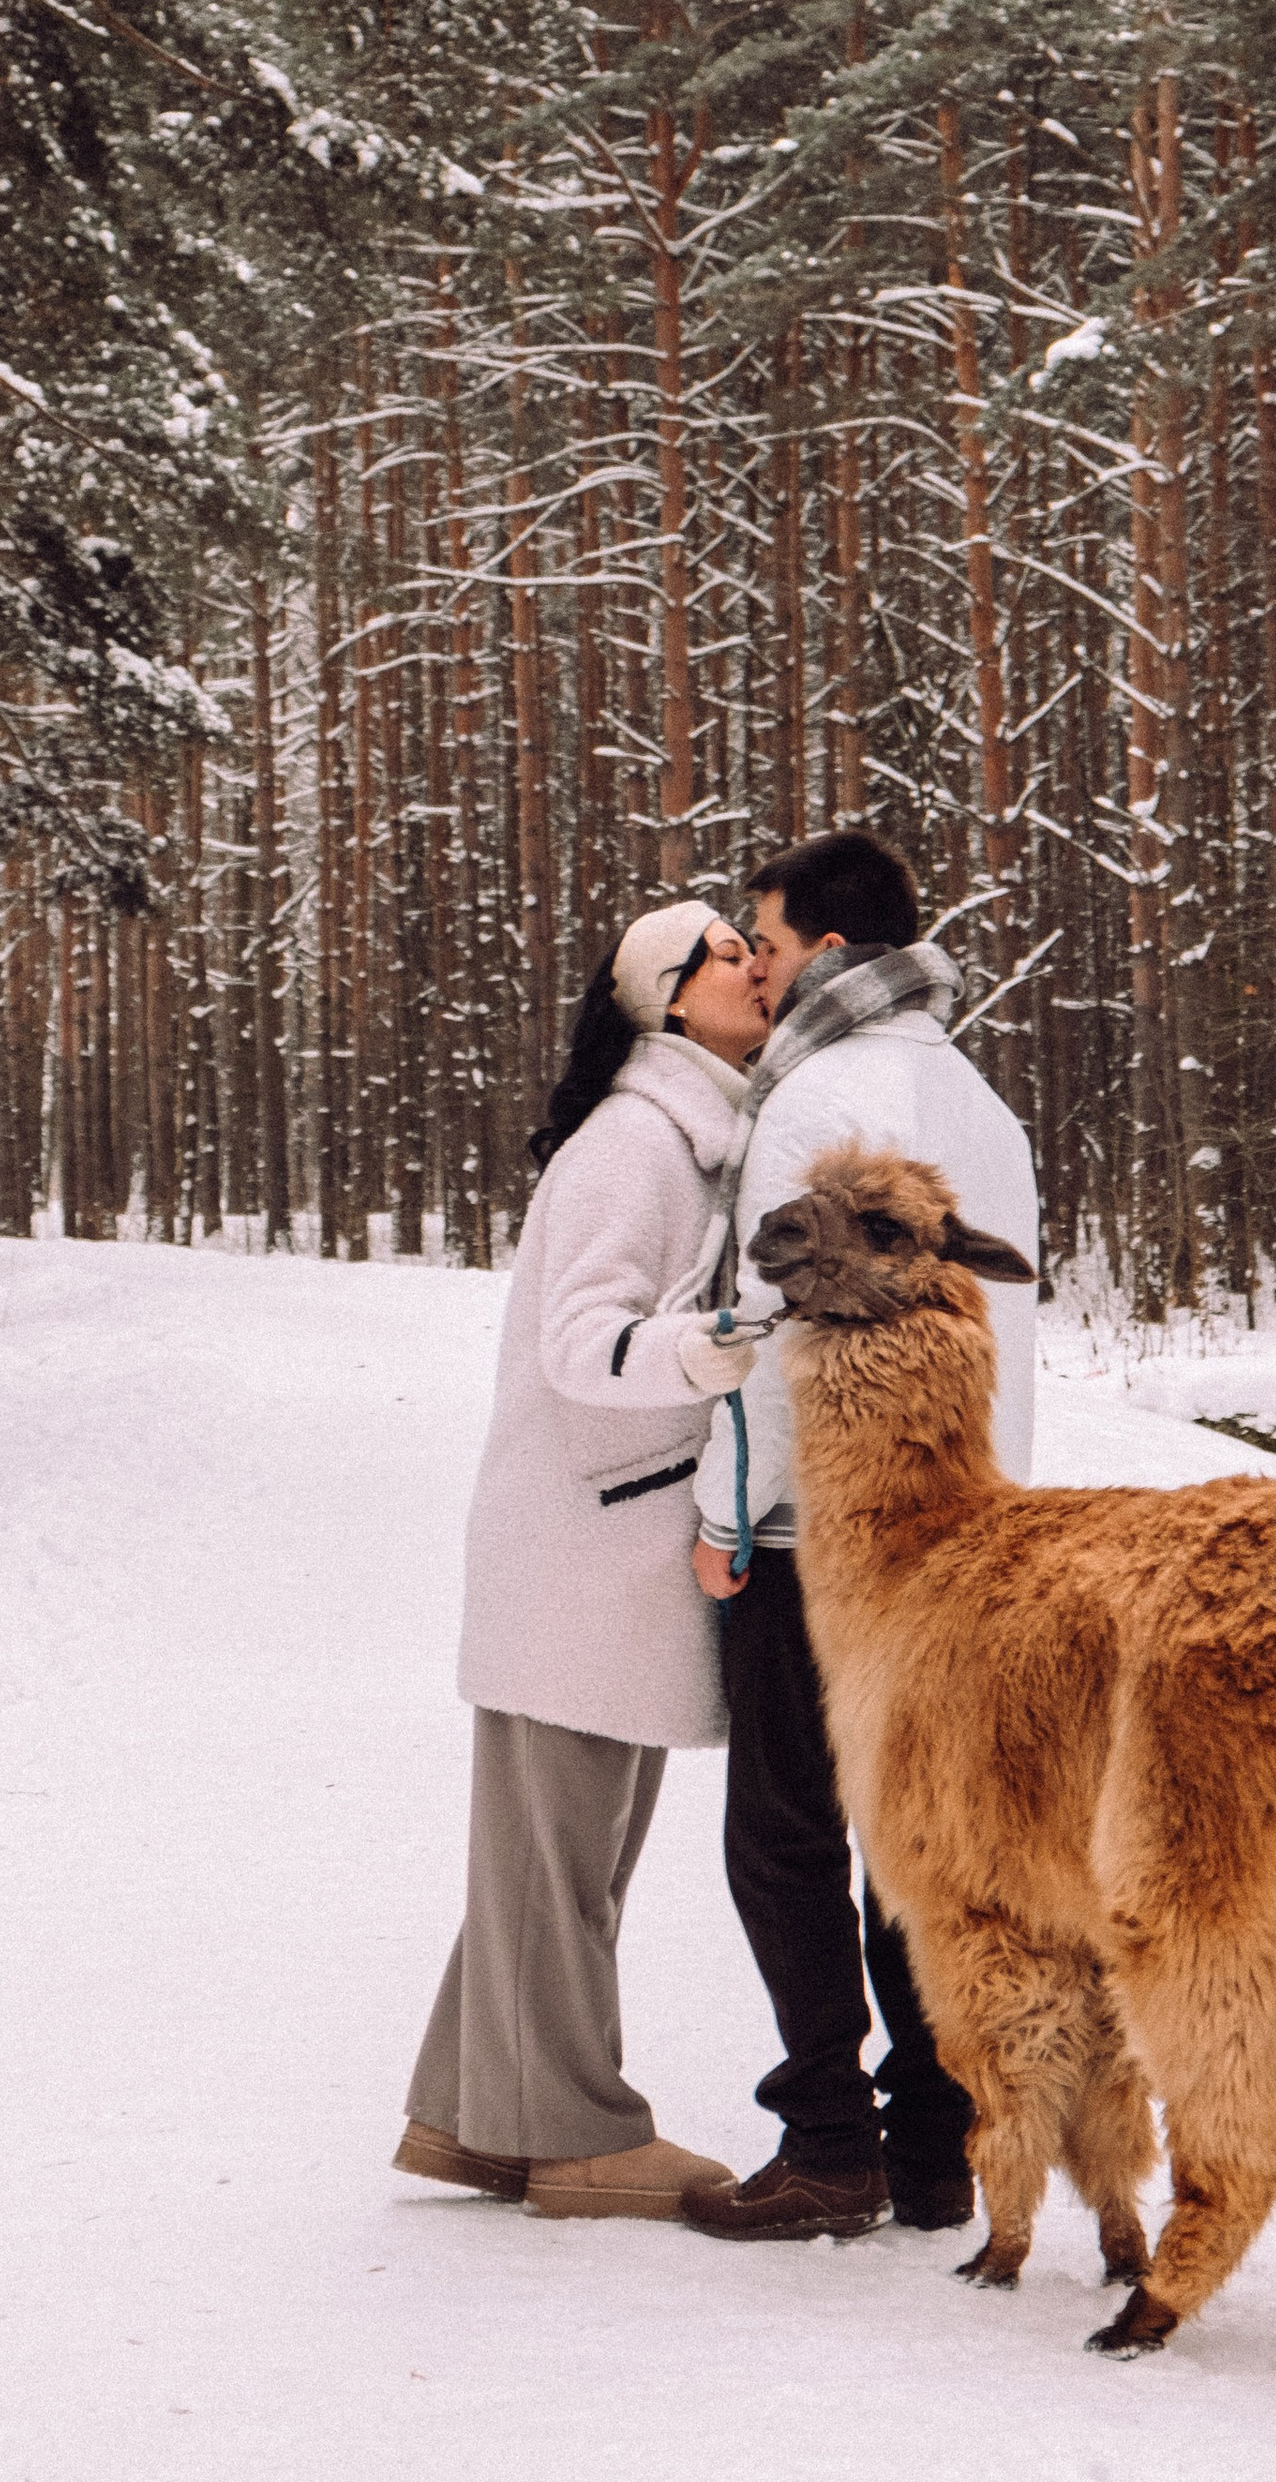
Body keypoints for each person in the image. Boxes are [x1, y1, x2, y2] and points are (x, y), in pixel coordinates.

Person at [678, 832, 1040, 2245]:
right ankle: (936, 2141)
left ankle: (828, 2139)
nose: (753, 967)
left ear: (827, 947)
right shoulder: (979, 1102)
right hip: (971, 1525)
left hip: (826, 1529)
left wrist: (728, 1515)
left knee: (784, 1831)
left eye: (762, 941)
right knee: (922, 1838)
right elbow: (1003, 1320)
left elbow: (772, 1328)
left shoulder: (816, 1092)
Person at [395, 903, 769, 2222]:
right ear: (668, 1000)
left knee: (551, 1868)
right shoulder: (636, 1145)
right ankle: (574, 2137)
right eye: (725, 952)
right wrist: (714, 1347)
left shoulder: (692, 1137)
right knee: (560, 1870)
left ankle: (471, 2122)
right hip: (577, 1560)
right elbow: (580, 1344)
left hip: (601, 1553)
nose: (754, 964)